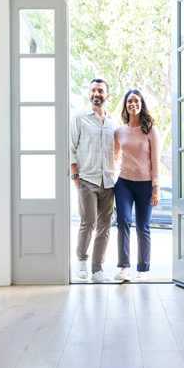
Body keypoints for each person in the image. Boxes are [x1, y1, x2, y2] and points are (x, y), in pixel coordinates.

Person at [70, 79, 117, 281]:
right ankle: (81, 261)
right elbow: (70, 147)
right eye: (93, 90)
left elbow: (117, 151)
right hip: (87, 179)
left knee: (105, 226)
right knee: (88, 222)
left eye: (100, 91)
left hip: (108, 181)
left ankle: (97, 268)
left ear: (107, 95)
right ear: (88, 93)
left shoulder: (113, 121)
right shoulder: (79, 118)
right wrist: (75, 175)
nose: (96, 93)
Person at [112, 90, 161, 281]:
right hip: (123, 183)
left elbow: (156, 161)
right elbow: (114, 156)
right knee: (123, 221)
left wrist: (156, 188)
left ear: (141, 105)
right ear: (125, 105)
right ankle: (124, 267)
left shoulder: (150, 130)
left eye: (137, 101)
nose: (133, 104)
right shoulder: (119, 131)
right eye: (129, 101)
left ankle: (143, 269)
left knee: (143, 226)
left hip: (145, 184)